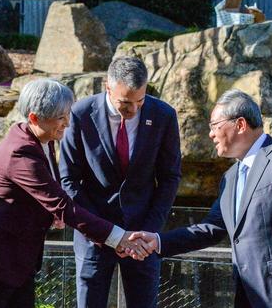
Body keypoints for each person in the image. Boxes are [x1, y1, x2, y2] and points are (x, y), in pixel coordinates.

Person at [0, 79, 150, 308]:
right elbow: (63, 205)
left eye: (67, 114)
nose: (67, 122)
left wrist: (50, 215)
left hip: (16, 264)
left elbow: (43, 196)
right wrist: (119, 237)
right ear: (34, 118)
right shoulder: (21, 152)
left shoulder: (42, 139)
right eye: (60, 117)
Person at [130, 89, 272, 308]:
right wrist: (158, 241)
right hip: (249, 295)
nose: (211, 134)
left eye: (214, 126)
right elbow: (211, 227)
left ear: (240, 124)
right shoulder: (231, 177)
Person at [59, 56, 181, 308]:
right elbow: (68, 179)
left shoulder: (163, 116)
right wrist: (104, 232)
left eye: (140, 101)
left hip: (142, 236)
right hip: (94, 234)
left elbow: (169, 178)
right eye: (126, 103)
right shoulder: (81, 114)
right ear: (107, 87)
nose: (134, 110)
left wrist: (148, 231)